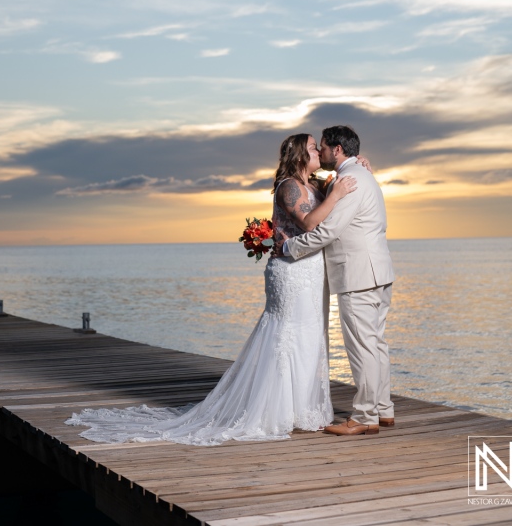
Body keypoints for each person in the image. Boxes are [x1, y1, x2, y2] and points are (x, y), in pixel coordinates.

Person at [65, 133, 358, 446]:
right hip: (289, 273)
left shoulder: (315, 185)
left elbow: (337, 186)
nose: (318, 151)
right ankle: (274, 411)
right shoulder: (288, 186)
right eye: (313, 147)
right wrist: (336, 194)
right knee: (284, 335)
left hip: (311, 272)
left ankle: (303, 409)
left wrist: (354, 169)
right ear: (300, 154)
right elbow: (311, 223)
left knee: (309, 335)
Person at [277, 125, 395, 436]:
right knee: (375, 344)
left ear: (337, 150)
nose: (321, 152)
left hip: (358, 274)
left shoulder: (351, 180)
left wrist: (290, 247)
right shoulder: (362, 175)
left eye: (323, 147)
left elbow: (328, 231)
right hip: (377, 271)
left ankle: (365, 417)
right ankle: (383, 409)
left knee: (363, 347)